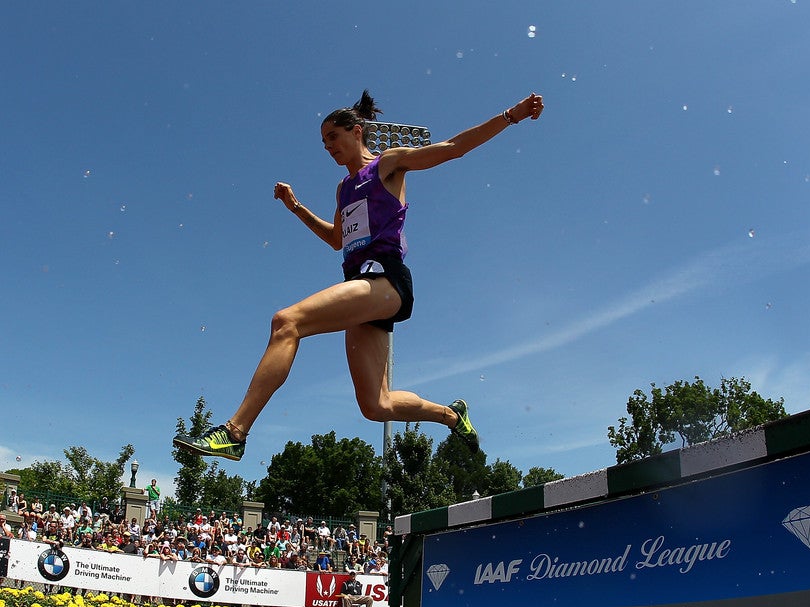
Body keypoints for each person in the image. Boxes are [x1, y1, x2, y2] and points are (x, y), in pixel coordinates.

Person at [172, 90, 544, 461]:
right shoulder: (343, 188)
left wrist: (511, 115)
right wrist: (295, 207)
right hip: (362, 287)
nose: (328, 146)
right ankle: (451, 415)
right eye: (323, 142)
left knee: (287, 322)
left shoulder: (388, 164)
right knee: (376, 405)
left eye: (333, 136)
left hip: (386, 280)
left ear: (357, 131)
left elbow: (453, 147)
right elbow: (337, 240)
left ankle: (236, 431)